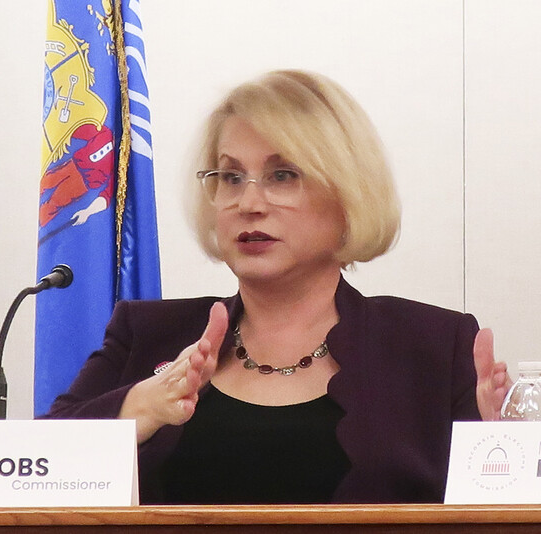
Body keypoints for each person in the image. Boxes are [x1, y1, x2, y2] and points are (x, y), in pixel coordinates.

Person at [40, 70, 511, 504]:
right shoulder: (146, 335)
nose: (248, 202)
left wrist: (506, 465)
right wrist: (134, 411)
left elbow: (492, 514)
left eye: (282, 176)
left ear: (349, 194)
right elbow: (31, 476)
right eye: (230, 176)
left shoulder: (433, 347)